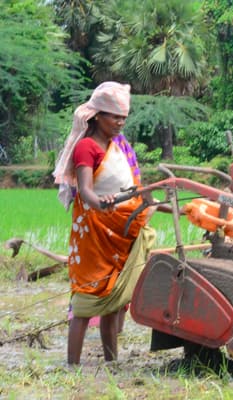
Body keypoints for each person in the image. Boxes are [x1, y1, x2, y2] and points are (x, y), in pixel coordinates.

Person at [52, 82, 157, 365]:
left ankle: (112, 363)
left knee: (113, 302)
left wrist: (148, 200)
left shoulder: (119, 146)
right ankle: (72, 366)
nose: (120, 122)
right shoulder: (86, 147)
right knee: (86, 301)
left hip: (120, 231)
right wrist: (100, 203)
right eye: (114, 116)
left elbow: (131, 186)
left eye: (123, 117)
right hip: (94, 233)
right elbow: (86, 190)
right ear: (97, 115)